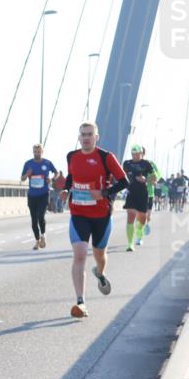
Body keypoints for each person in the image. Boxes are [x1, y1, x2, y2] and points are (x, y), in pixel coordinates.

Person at [61, 122, 127, 318]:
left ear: (96, 137)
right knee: (80, 254)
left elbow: (124, 181)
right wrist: (66, 189)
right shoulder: (71, 156)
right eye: (83, 134)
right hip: (78, 214)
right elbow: (71, 177)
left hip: (101, 215)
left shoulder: (106, 157)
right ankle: (80, 302)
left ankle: (99, 272)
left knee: (99, 255)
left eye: (90, 134)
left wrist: (104, 192)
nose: (86, 137)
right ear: (79, 137)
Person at [21, 143, 57, 249]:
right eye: (35, 151)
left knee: (41, 215)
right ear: (33, 152)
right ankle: (37, 241)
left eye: (39, 151)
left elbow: (56, 173)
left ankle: (43, 235)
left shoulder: (47, 163)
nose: (37, 153)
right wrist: (27, 174)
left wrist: (52, 179)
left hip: (44, 194)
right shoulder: (28, 164)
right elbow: (22, 178)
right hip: (32, 195)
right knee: (33, 220)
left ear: (42, 151)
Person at [122, 144, 154, 251]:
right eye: (133, 154)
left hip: (143, 193)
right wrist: (136, 177)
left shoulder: (146, 164)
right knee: (130, 216)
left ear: (141, 153)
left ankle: (139, 234)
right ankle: (130, 244)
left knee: (142, 219)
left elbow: (154, 178)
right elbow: (126, 175)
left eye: (137, 154)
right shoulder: (127, 163)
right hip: (131, 192)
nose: (134, 156)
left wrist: (147, 180)